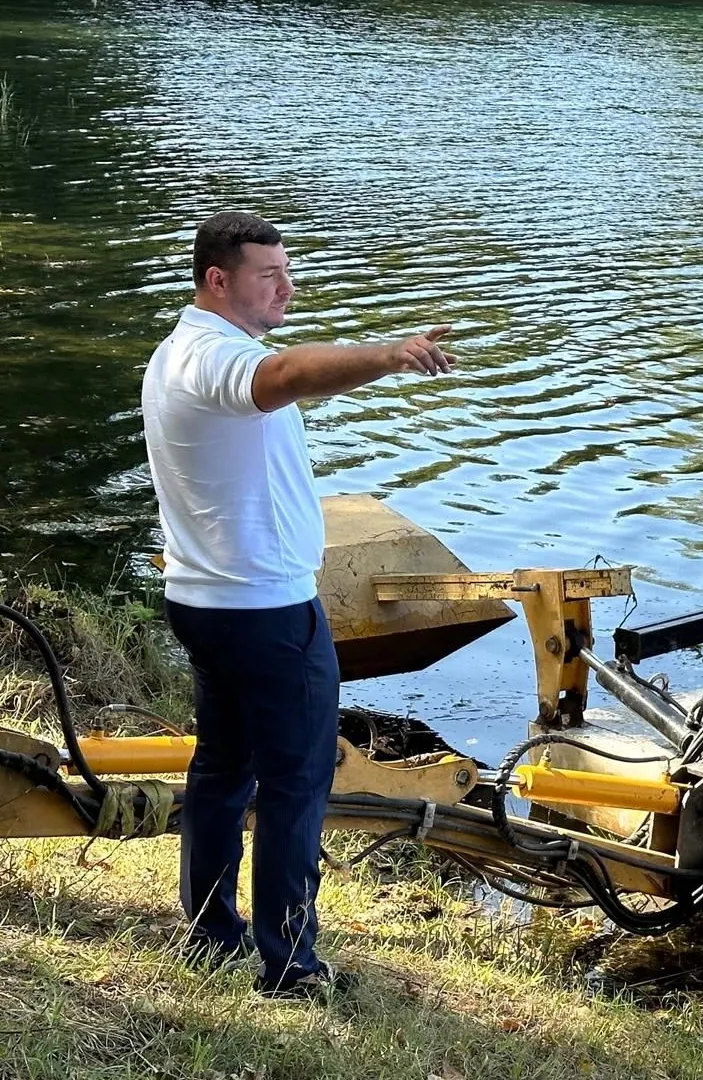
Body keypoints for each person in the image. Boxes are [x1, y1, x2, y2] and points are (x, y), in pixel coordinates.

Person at [140, 210, 453, 997]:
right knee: (295, 784)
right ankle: (290, 967)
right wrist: (387, 356)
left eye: (287, 270)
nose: (288, 286)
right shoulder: (214, 357)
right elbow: (284, 375)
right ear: (218, 280)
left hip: (207, 599)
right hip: (264, 613)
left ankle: (211, 935)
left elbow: (273, 376)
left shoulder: (178, 351)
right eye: (268, 274)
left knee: (222, 770)